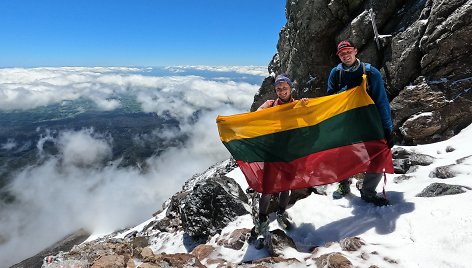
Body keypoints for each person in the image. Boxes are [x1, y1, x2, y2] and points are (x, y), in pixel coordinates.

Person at [327, 40, 394, 206]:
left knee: (378, 155)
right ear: (339, 56)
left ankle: (368, 191)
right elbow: (330, 99)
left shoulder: (371, 73)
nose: (346, 55)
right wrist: (349, 91)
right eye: (342, 54)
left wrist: (388, 129)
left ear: (355, 51)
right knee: (343, 155)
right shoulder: (336, 74)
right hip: (346, 123)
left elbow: (381, 101)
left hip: (370, 123)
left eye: (348, 51)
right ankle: (344, 185)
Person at [252, 73, 307, 236]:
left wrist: (306, 106)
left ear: (290, 88)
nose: (282, 91)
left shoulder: (297, 105)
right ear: (275, 90)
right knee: (267, 189)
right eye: (278, 88)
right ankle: (262, 220)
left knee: (285, 187)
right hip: (273, 154)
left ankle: (281, 213)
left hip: (290, 154)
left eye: (285, 88)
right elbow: (256, 115)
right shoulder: (269, 105)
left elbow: (310, 118)